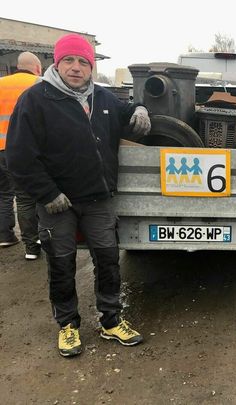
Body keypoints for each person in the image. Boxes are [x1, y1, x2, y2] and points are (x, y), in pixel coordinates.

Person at [6, 33, 152, 357]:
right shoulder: (36, 99)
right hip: (58, 203)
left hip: (99, 198)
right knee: (61, 263)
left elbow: (127, 114)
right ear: (57, 63)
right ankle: (68, 325)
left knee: (108, 260)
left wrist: (140, 109)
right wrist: (47, 193)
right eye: (69, 60)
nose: (76, 68)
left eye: (83, 62)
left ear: (91, 66)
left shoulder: (103, 98)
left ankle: (110, 321)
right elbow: (19, 155)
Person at [0, 52, 42, 259]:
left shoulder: (0, 83)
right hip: (22, 150)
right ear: (37, 67)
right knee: (26, 198)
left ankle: (5, 236)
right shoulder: (39, 84)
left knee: (3, 194)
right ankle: (31, 246)